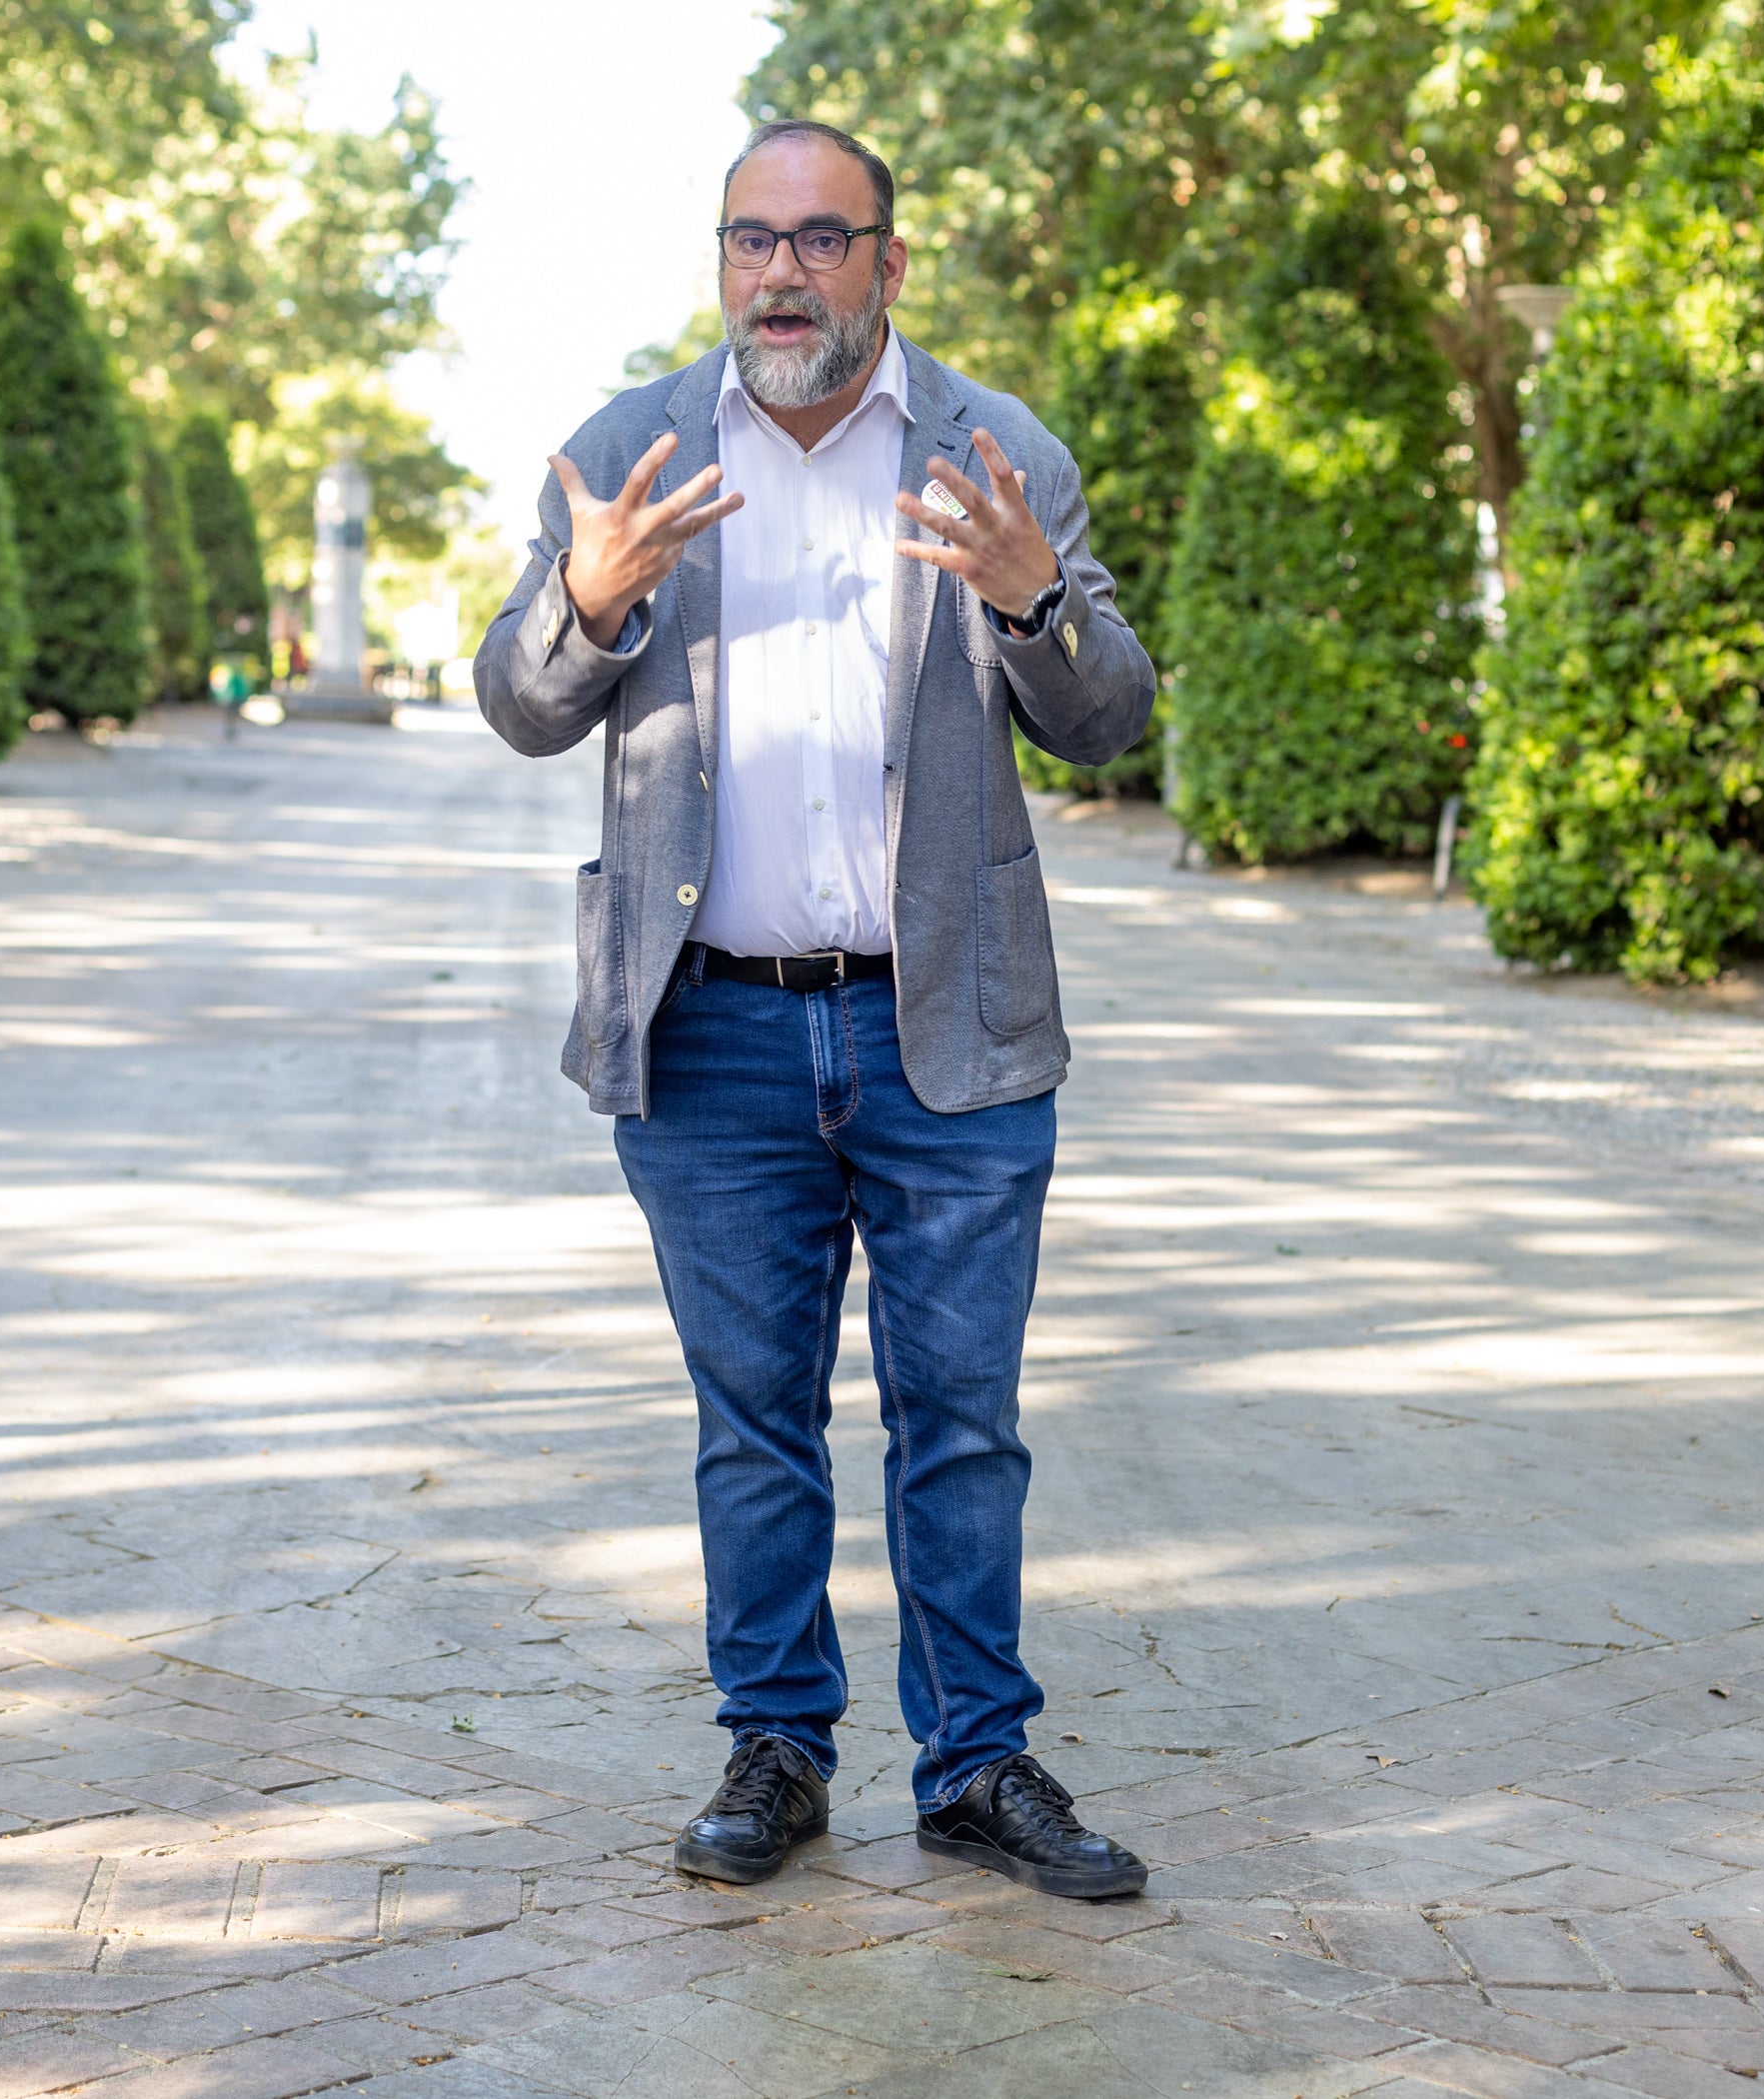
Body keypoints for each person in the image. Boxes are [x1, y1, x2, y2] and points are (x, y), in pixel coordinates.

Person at [472, 120, 1157, 1899]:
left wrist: (1028, 601)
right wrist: (583, 600)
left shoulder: (995, 451)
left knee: (963, 1418)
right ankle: (774, 1746)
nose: (781, 272)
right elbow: (521, 704)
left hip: (951, 1028)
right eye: (748, 240)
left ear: (886, 265)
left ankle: (974, 1765)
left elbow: (1104, 717)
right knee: (754, 1419)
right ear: (719, 262)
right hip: (710, 1035)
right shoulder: (629, 448)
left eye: (820, 240)